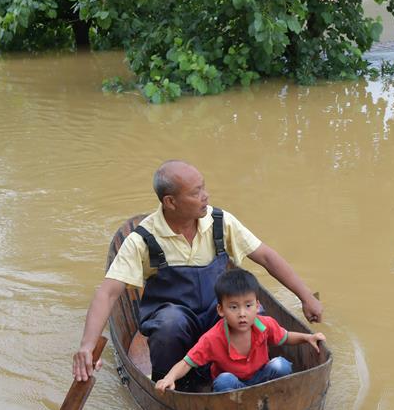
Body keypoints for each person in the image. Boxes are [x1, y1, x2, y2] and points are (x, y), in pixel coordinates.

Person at [72, 160, 323, 383]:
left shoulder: (220, 222)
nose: (206, 196)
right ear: (170, 202)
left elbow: (266, 257)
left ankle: (238, 375)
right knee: (171, 324)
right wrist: (87, 346)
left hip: (217, 312)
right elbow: (108, 293)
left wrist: (306, 297)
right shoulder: (143, 239)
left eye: (203, 188)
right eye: (196, 192)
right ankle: (177, 384)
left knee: (250, 314)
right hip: (174, 319)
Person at [154, 269, 325, 393]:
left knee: (281, 365)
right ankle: (234, 406)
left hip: (260, 379)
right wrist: (170, 377)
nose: (242, 314)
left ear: (257, 306)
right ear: (221, 310)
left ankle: (269, 395)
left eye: (248, 306)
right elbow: (187, 362)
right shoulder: (213, 338)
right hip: (232, 386)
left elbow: (285, 336)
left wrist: (307, 337)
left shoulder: (264, 324)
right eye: (234, 307)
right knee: (224, 380)